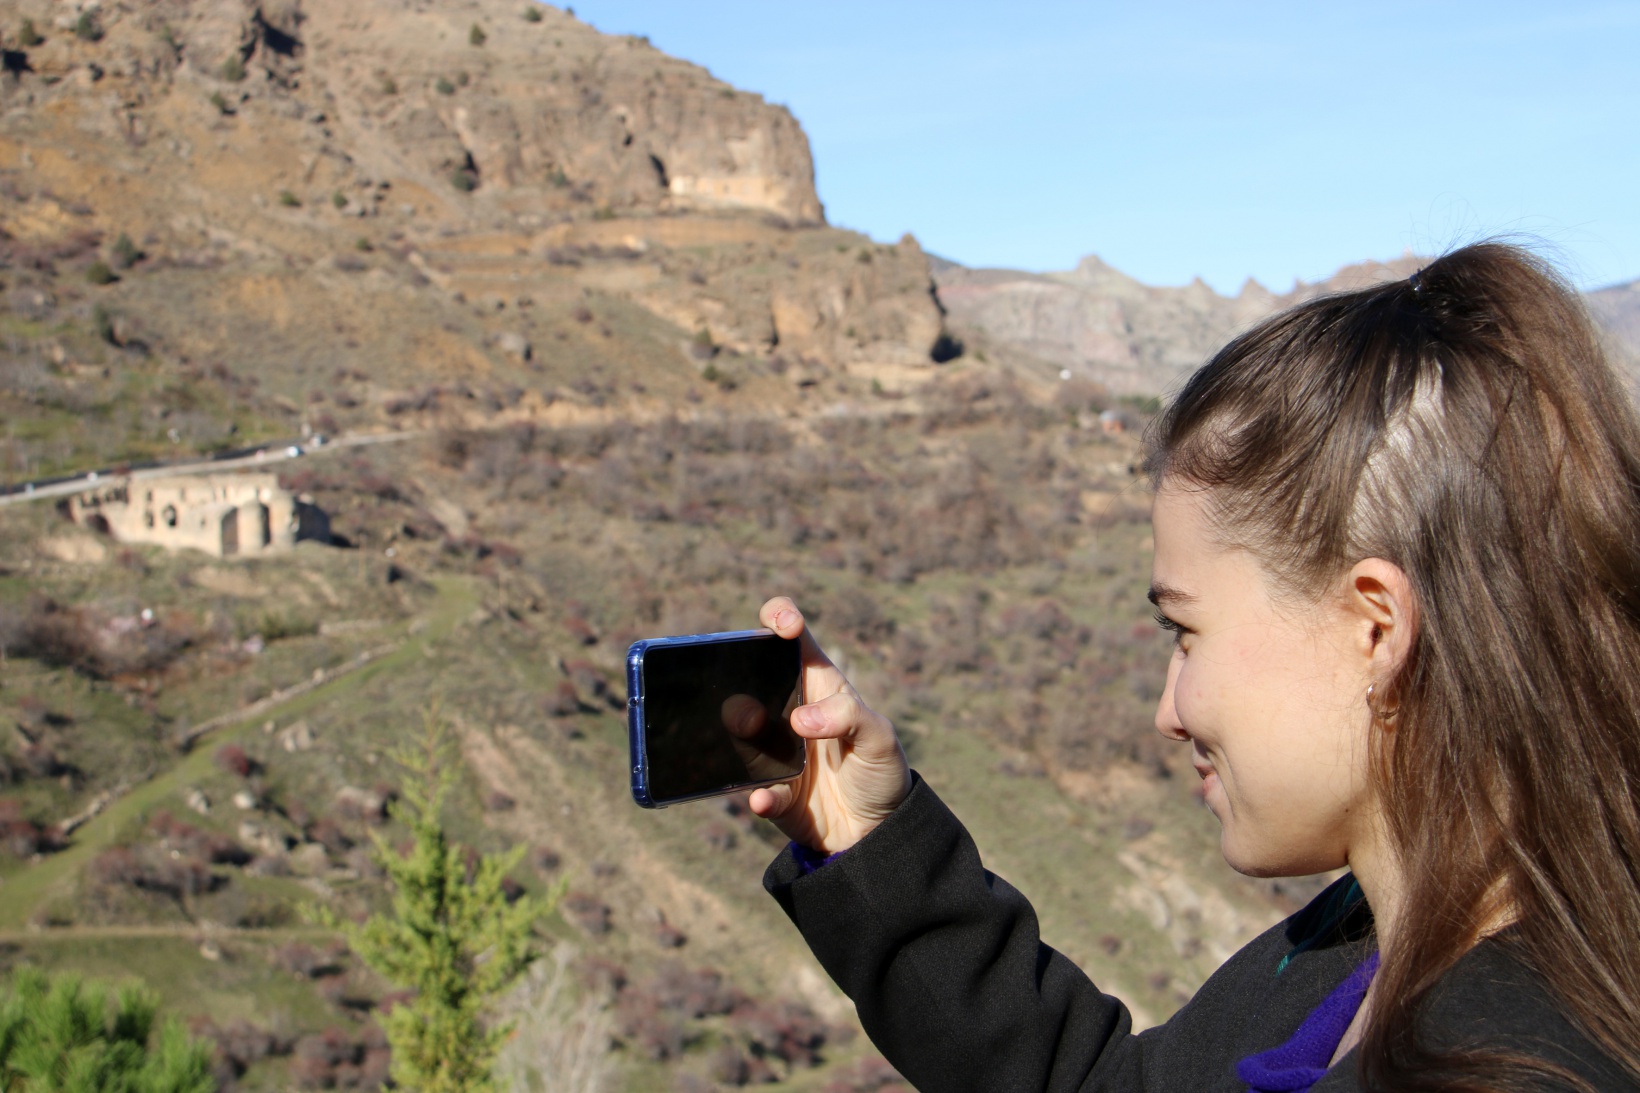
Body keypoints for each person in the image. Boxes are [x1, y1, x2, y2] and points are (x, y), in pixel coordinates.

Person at [747, 242, 1640, 1092]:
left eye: (1186, 632)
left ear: (1376, 627)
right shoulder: (1363, 953)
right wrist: (865, 838)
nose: (1169, 712)